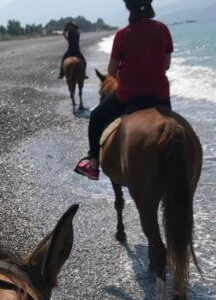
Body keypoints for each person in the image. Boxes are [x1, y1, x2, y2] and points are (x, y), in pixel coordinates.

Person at [75, 0, 173, 180]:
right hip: (160, 95)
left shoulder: (122, 35)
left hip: (129, 95)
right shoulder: (163, 29)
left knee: (96, 117)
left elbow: (112, 71)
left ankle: (93, 165)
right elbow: (166, 65)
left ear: (129, 9)